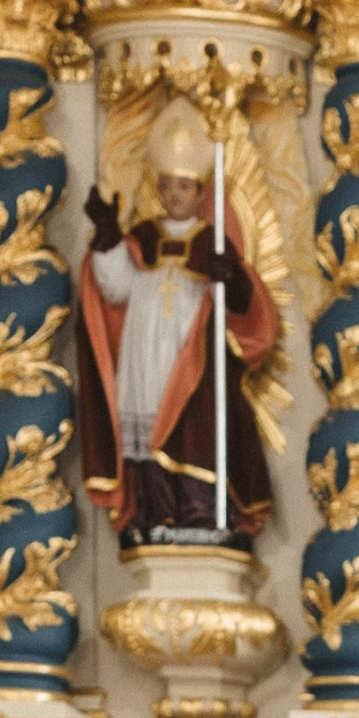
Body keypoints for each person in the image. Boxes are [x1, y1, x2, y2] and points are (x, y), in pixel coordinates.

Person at [75, 100, 281, 544]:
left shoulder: (212, 243)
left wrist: (232, 280)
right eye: (167, 187)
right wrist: (108, 235)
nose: (174, 196)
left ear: (201, 192)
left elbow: (244, 307)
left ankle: (199, 513)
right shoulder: (142, 239)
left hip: (192, 359)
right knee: (145, 428)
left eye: (184, 188)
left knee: (195, 430)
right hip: (143, 353)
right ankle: (153, 513)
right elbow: (115, 289)